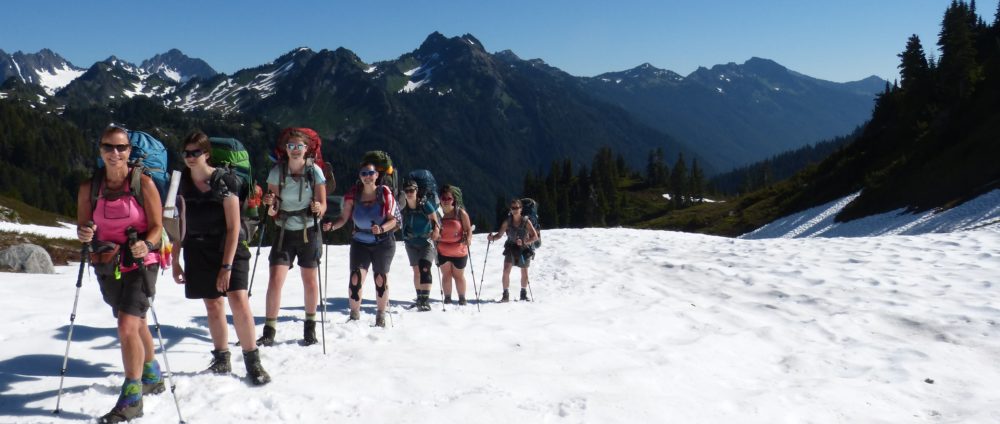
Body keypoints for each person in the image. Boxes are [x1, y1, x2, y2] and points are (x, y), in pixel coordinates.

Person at [76, 126, 164, 423]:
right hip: (107, 262)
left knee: (127, 325)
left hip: (142, 262)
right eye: (108, 148)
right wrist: (85, 232)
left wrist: (147, 244)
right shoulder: (90, 187)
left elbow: (157, 226)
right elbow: (83, 227)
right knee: (134, 321)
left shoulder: (144, 183)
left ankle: (132, 397)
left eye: (121, 148)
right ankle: (152, 373)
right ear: (100, 150)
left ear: (129, 151)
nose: (115, 154)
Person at [170, 131, 270, 385]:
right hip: (197, 248)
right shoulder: (180, 183)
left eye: (196, 152)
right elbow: (177, 223)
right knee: (213, 304)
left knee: (238, 300)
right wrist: (175, 259)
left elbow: (233, 226)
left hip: (230, 248)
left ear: (207, 154)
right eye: (187, 153)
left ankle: (252, 361)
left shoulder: (224, 181)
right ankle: (221, 357)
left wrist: (226, 265)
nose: (191, 157)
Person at [258, 129, 327, 346]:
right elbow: (273, 208)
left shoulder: (314, 171)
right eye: (291, 146)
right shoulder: (276, 172)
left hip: (308, 231)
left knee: (309, 281)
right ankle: (270, 330)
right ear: (285, 149)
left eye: (299, 146)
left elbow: (323, 205)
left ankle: (310, 327)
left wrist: (318, 207)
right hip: (285, 231)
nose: (295, 150)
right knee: (275, 280)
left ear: (307, 149)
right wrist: (270, 206)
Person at [325, 161, 398, 327]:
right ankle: (354, 315)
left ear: (377, 175)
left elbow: (393, 220)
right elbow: (344, 218)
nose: (367, 177)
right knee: (355, 278)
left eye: (370, 173)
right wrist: (333, 226)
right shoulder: (353, 194)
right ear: (360, 176)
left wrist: (381, 228)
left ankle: (380, 315)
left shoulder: (384, 193)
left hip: (384, 242)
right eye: (364, 173)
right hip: (360, 242)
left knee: (380, 278)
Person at [487, 198, 539, 302]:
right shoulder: (507, 221)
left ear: (521, 209)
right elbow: (500, 235)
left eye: (517, 207)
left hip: (523, 248)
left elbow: (535, 237)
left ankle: (522, 294)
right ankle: (506, 295)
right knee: (506, 270)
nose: (515, 210)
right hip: (511, 247)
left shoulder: (526, 221)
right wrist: (492, 238)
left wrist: (524, 242)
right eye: (513, 208)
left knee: (524, 272)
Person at [399, 179, 439, 311]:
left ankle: (424, 300)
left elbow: (434, 219)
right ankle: (420, 298)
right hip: (410, 243)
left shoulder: (424, 204)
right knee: (416, 270)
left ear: (417, 191)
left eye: (412, 190)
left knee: (425, 267)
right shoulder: (403, 206)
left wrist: (436, 231)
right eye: (407, 191)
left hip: (426, 242)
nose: (409, 193)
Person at [436, 184, 472, 305]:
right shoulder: (437, 214)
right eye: (443, 198)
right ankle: (448, 298)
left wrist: (469, 239)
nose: (446, 201)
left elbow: (468, 229)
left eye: (448, 198)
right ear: (440, 199)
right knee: (447, 275)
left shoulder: (460, 213)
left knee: (458, 275)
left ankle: (461, 297)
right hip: (445, 250)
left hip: (458, 250)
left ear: (454, 200)